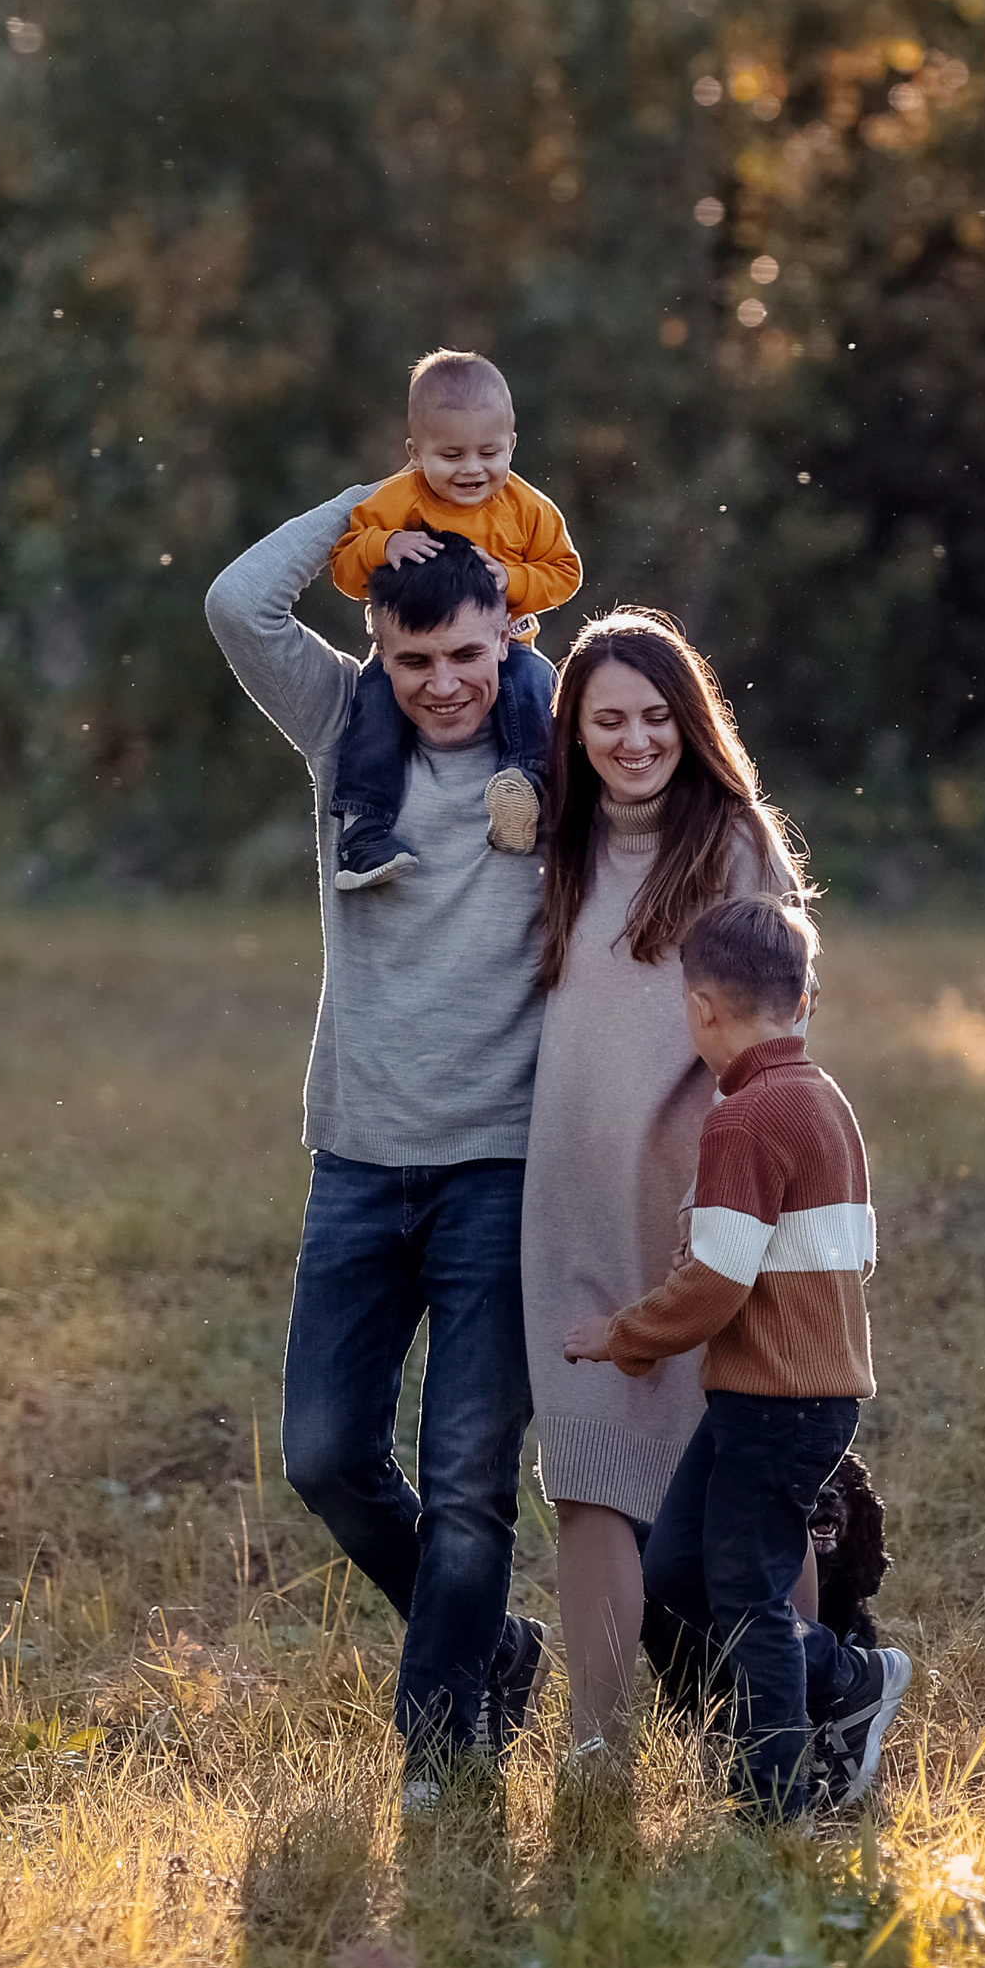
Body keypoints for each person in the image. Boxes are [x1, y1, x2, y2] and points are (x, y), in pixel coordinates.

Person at [206, 492, 550, 1800]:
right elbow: (237, 603)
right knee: (325, 1455)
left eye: (467, 654)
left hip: (500, 1162)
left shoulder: (547, 730)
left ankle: (441, 1742)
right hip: (359, 1155)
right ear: (378, 653)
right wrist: (376, 504)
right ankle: (491, 1647)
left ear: (508, 635)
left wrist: (483, 510)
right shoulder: (346, 726)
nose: (444, 684)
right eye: (414, 662)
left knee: (470, 1475)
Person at [521, 609, 813, 1762]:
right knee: (587, 1475)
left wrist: (756, 1172)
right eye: (608, 722)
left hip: (709, 1203)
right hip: (572, 1203)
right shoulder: (556, 845)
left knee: (738, 1482)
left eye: (655, 718)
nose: (634, 742)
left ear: (690, 725)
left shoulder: (736, 842)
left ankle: (788, 1728)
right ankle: (598, 1754)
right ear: (576, 733)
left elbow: (788, 1027)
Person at [566, 896, 908, 1821]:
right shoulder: (823, 1099)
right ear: (804, 999)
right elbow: (853, 1247)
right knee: (678, 1573)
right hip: (777, 1395)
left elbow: (717, 1283)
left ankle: (776, 1800)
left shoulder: (747, 1119)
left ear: (701, 1008)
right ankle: (849, 1676)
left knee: (749, 1598)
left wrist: (624, 1335)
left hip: (782, 1400)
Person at [326, 347, 582, 888]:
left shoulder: (529, 508)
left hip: (508, 645)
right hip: (407, 651)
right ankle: (364, 829)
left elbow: (564, 572)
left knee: (536, 685)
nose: (472, 470)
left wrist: (513, 581)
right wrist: (383, 543)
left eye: (489, 452)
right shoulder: (391, 503)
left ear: (512, 444)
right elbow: (345, 571)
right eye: (451, 455)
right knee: (373, 707)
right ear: (415, 453)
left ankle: (525, 790)